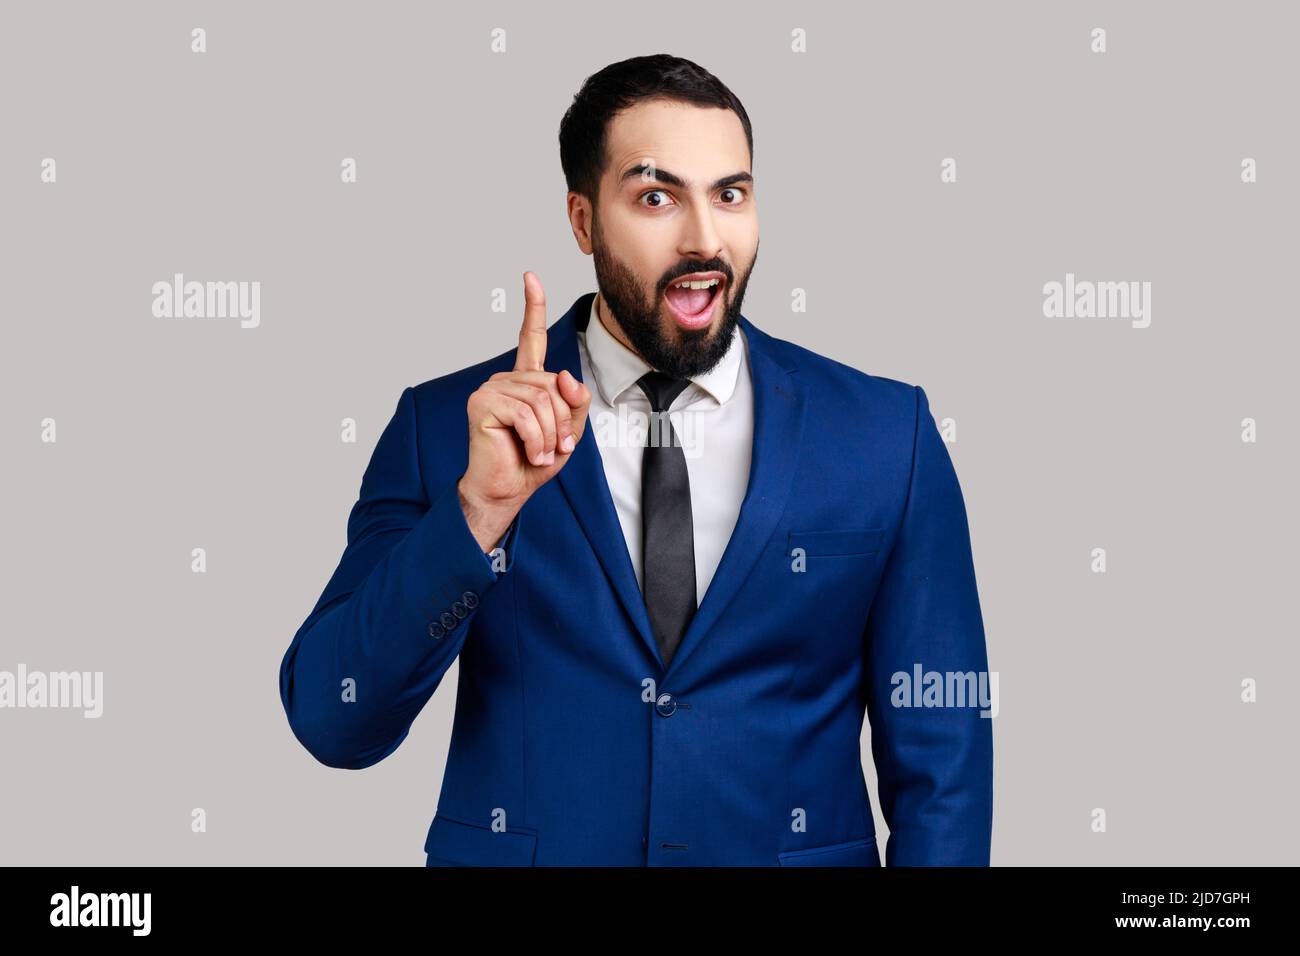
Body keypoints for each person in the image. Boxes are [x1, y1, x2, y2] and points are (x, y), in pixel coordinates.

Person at [279, 54, 993, 867]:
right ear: (583, 222)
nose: (704, 239)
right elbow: (332, 721)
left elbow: (946, 770)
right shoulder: (443, 428)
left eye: (731, 193)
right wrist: (477, 513)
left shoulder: (883, 436)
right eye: (656, 197)